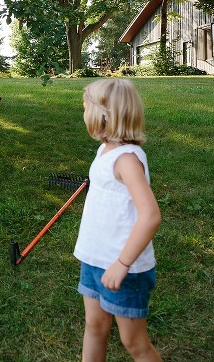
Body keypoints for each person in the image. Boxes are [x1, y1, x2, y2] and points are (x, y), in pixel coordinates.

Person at [75, 78, 162, 362]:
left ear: (105, 116)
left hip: (124, 267)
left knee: (133, 341)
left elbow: (150, 215)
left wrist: (123, 263)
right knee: (95, 326)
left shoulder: (126, 159)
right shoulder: (105, 150)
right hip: (95, 258)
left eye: (87, 107)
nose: (83, 112)